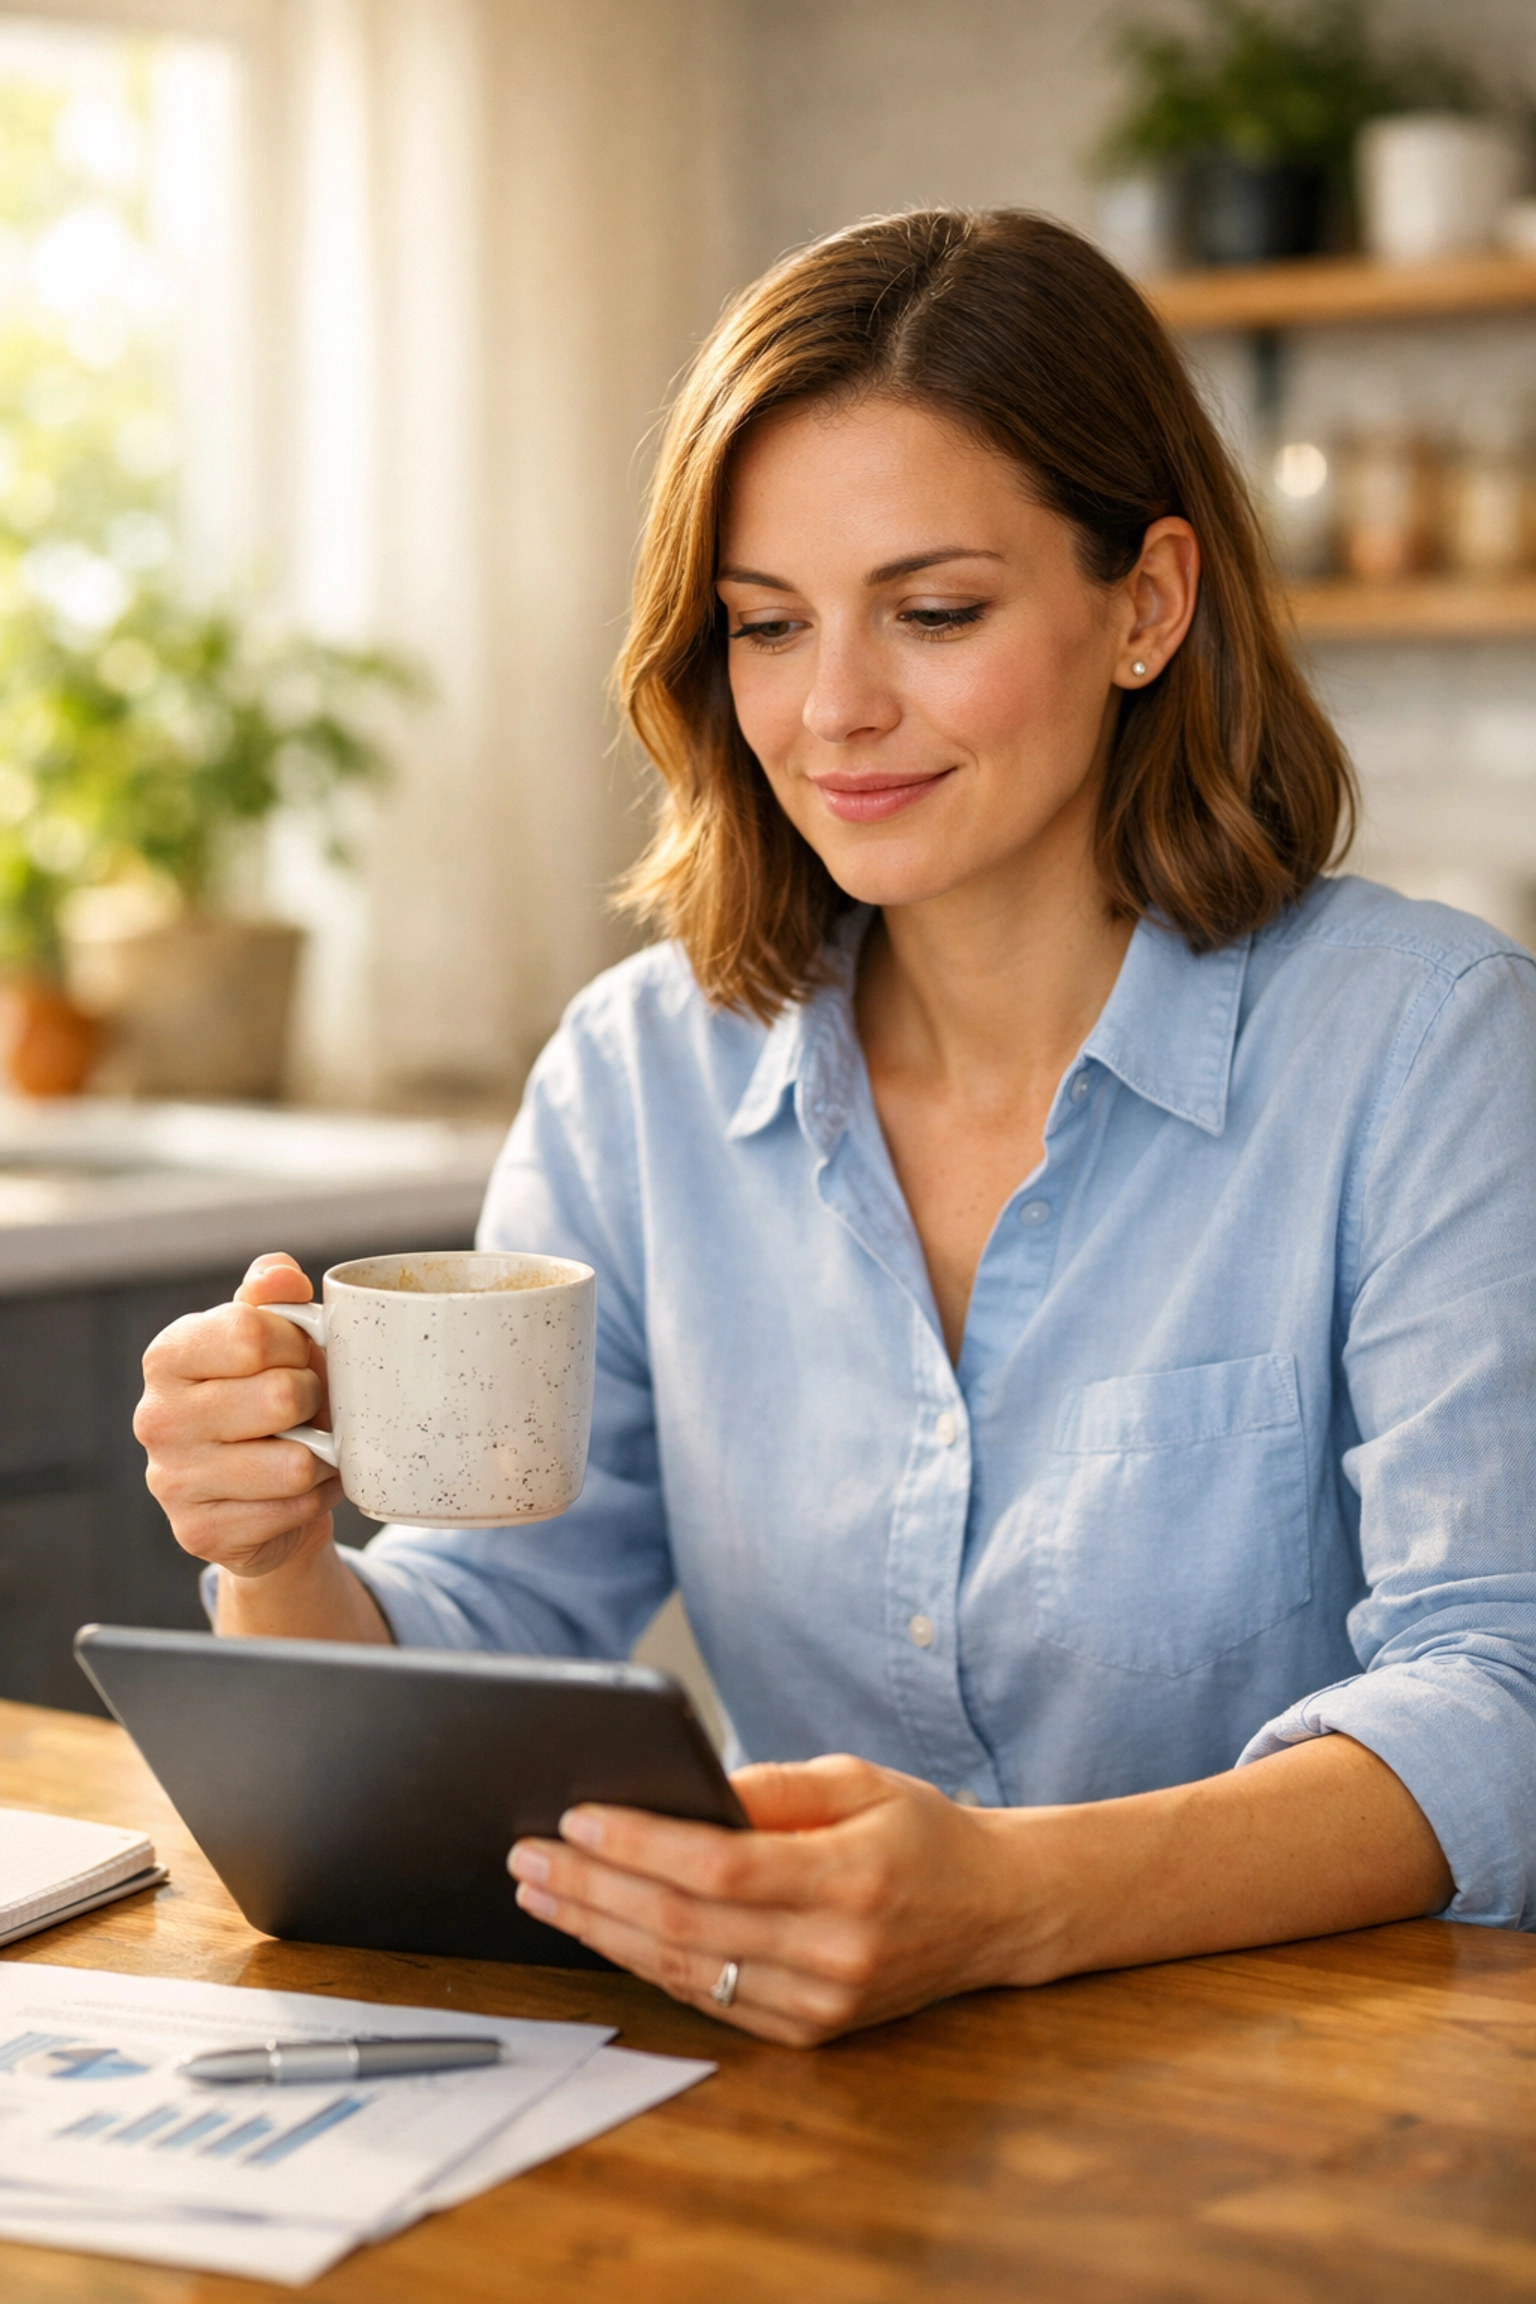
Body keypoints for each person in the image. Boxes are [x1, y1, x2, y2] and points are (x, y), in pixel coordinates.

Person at [136, 210, 1536, 2047]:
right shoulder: (638, 1077)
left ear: (1149, 604)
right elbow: (494, 1625)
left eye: (935, 612)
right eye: (766, 628)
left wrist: (1016, 1905)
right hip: (806, 2107)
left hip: (1310, 2122)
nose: (835, 710)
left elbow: (1503, 1694)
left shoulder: (1428, 1048)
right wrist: (279, 1555)